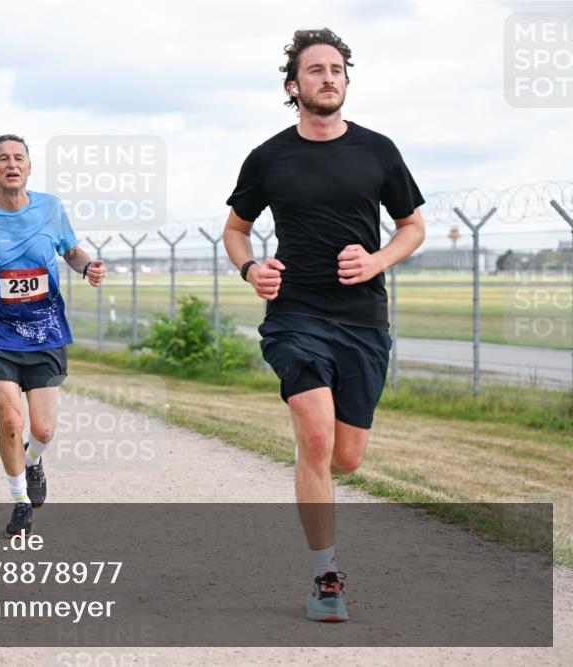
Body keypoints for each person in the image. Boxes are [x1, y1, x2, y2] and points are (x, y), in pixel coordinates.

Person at [222, 28, 426, 623]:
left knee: (346, 457)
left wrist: (377, 260)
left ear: (346, 80)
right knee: (316, 438)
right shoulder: (269, 157)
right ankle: (325, 579)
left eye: (336, 69)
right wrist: (250, 268)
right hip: (295, 315)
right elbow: (236, 230)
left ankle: (312, 468)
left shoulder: (378, 151)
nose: (328, 77)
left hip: (363, 320)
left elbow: (413, 226)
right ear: (294, 86)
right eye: (315, 70)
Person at [0, 134, 106, 537]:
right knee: (12, 419)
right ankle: (19, 503)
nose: (12, 164)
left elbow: (71, 252)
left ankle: (34, 461)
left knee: (44, 429)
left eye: (19, 158)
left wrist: (88, 268)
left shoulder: (51, 208)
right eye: (3, 158)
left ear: (29, 168)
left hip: (45, 328)